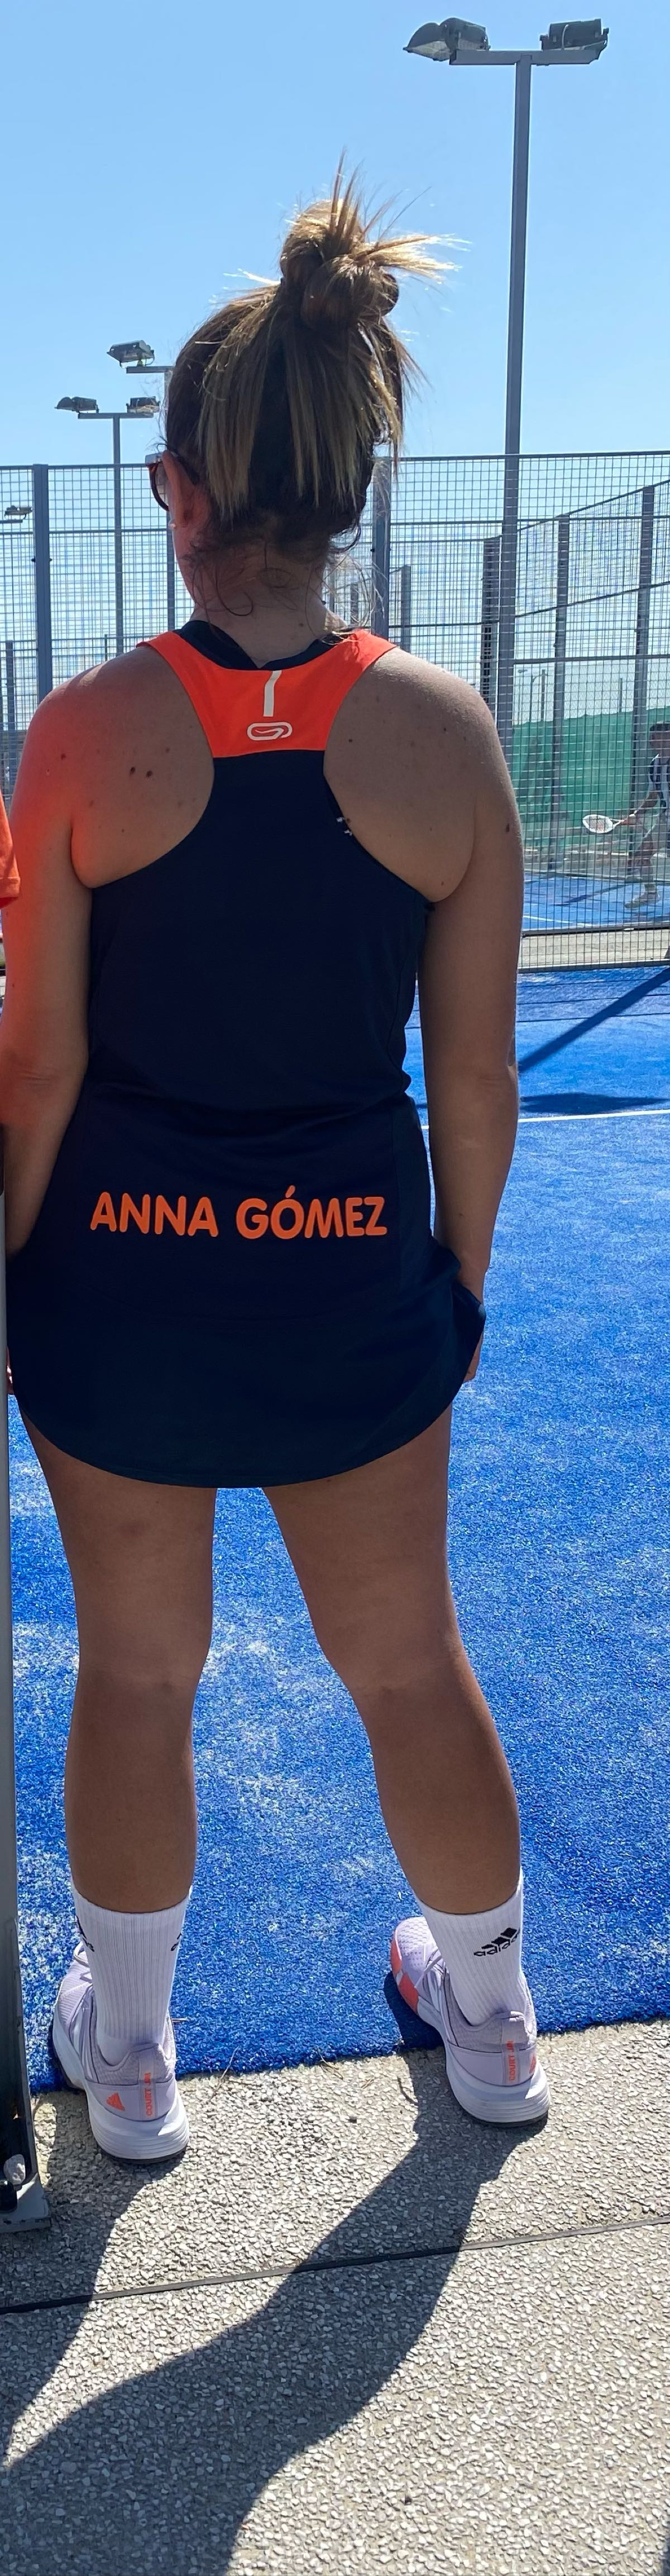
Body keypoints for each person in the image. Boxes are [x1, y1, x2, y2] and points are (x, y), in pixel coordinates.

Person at [0, 167, 549, 2163]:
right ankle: (491, 2018)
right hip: (350, 1281)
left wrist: (19, 1274)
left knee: (137, 1670)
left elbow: (40, 1059)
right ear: (349, 483)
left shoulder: (82, 734)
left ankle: (133, 2059)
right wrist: (449, 1286)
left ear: (178, 489)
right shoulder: (446, 737)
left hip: (119, 1288)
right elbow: (470, 1075)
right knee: (408, 1660)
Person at [618, 719, 670, 909]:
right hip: (665, 819)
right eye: (652, 736)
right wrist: (637, 814)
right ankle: (651, 893)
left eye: (657, 736)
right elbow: (654, 795)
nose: (652, 740)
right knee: (641, 855)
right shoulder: (654, 765)